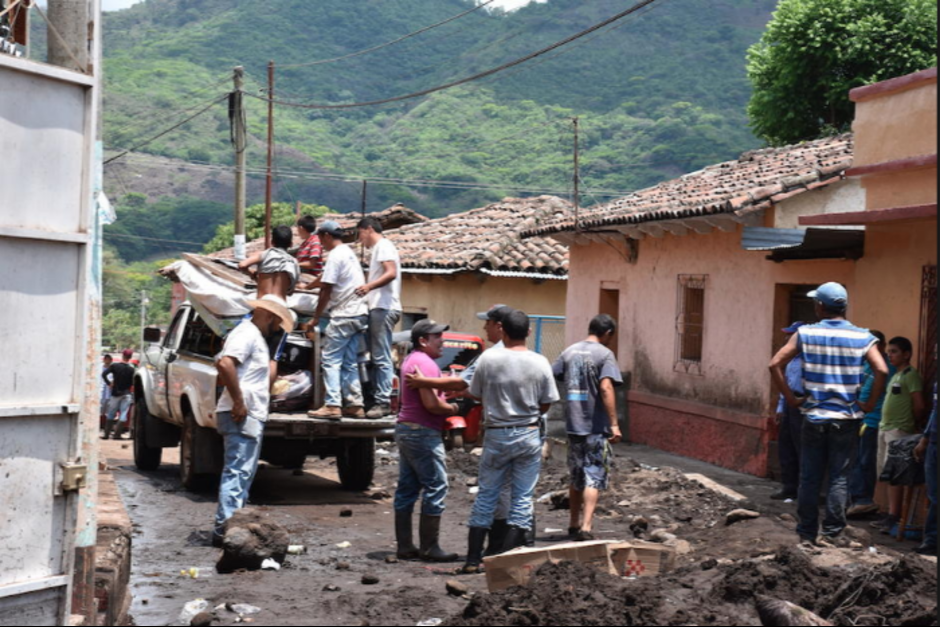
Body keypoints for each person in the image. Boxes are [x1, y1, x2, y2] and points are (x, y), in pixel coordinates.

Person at [769, 282, 888, 545]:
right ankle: (832, 534)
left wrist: (791, 398)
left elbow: (775, 363)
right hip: (847, 419)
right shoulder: (863, 336)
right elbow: (881, 370)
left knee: (809, 477)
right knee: (839, 478)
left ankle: (807, 534)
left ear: (820, 306)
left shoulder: (806, 333)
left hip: (813, 416)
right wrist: (867, 404)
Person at [406, 304, 516, 553]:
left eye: (487, 323)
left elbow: (460, 385)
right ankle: (511, 546)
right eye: (437, 338)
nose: (484, 327)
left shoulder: (492, 355)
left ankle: (479, 555)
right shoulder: (531, 357)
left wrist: (429, 385)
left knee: (488, 491)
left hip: (500, 431)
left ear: (499, 327)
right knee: (515, 492)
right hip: (523, 431)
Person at [462, 310, 560, 573]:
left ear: (502, 330)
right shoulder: (539, 362)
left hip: (495, 433)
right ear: (529, 332)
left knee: (487, 495)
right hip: (528, 433)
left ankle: (473, 559)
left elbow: (475, 393)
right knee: (522, 499)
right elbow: (547, 402)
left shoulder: (488, 358)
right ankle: (504, 560)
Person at [213, 294, 295, 547]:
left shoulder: (253, 337)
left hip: (246, 412)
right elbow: (225, 365)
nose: (277, 328)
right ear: (270, 316)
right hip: (242, 413)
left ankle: (231, 526)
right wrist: (239, 402)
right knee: (237, 472)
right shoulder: (247, 333)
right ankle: (226, 529)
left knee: (242, 472)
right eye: (277, 322)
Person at [393, 320, 462, 563]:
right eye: (437, 336)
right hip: (422, 431)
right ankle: (430, 547)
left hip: (408, 429)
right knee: (436, 485)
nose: (442, 340)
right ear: (423, 340)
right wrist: (455, 407)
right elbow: (432, 405)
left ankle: (405, 546)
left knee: (408, 488)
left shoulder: (414, 359)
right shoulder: (424, 363)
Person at [553, 314, 624, 542]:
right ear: (608, 334)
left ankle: (572, 523)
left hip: (574, 426)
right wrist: (613, 423)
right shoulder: (605, 354)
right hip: (594, 427)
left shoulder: (569, 351)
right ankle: (586, 526)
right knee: (593, 476)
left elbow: (553, 375)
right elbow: (605, 388)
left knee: (576, 476)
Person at [308, 221, 369, 420]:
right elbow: (324, 280)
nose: (321, 243)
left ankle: (333, 404)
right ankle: (355, 404)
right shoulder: (348, 253)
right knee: (349, 361)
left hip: (344, 314)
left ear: (326, 235)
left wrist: (316, 317)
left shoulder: (335, 255)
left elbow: (326, 287)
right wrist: (309, 285)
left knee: (330, 359)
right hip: (359, 313)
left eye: (320, 238)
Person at [871, 337, 926, 534]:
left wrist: (914, 425)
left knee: (896, 475)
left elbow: (918, 405)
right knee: (885, 473)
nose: (890, 355)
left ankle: (894, 516)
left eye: (894, 351)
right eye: (889, 352)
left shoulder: (911, 376)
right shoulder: (895, 375)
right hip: (885, 427)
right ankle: (888, 513)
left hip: (900, 430)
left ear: (906, 354)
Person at [356, 217, 403, 419]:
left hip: (384, 307)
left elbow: (390, 273)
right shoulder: (381, 248)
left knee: (381, 356)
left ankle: (382, 401)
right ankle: (373, 396)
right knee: (373, 355)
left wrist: (368, 287)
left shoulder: (383, 246)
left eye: (360, 234)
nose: (360, 240)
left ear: (368, 229)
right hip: (379, 307)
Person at [848, 331, 895, 518]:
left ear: (881, 345)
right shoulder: (866, 364)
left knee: (865, 461)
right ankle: (857, 500)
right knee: (856, 460)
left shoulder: (887, 368)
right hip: (859, 419)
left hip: (874, 420)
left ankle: (863, 500)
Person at [772, 322, 806, 502]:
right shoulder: (791, 360)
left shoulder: (808, 360)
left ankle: (804, 489)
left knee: (802, 448)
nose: (787, 339)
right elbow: (785, 385)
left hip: (802, 404)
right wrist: (780, 406)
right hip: (789, 404)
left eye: (791, 335)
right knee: (786, 447)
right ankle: (789, 486)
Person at [238, 225, 301, 300]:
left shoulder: (264, 254)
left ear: (272, 242)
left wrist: (253, 274)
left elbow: (242, 265)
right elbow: (290, 292)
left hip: (261, 303)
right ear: (291, 244)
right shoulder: (294, 263)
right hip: (280, 307)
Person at [913, 382, 937, 555]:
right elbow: (935, 412)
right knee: (934, 494)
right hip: (935, 442)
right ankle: (931, 540)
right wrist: (925, 439)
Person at [102, 349, 137, 440]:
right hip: (126, 394)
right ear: (130, 357)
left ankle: (106, 435)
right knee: (123, 414)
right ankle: (117, 435)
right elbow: (134, 382)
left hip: (115, 393)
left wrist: (109, 383)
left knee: (111, 414)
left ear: (122, 355)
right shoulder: (132, 369)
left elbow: (104, 374)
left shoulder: (114, 366)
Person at [295, 215, 325, 287]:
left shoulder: (315, 242)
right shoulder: (304, 244)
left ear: (301, 228)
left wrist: (295, 264)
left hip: (311, 278)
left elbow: (312, 264)